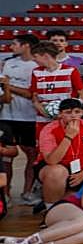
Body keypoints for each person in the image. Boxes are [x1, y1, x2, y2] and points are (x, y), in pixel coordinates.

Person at [33, 98, 83, 210]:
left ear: (82, 113)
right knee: (56, 171)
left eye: (77, 112)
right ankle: (51, 210)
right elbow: (51, 160)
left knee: (77, 202)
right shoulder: (49, 130)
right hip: (57, 168)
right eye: (68, 112)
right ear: (60, 114)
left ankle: (59, 200)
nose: (73, 116)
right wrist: (68, 137)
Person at [2, 34, 38, 205]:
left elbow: (31, 94)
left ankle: (27, 191)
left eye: (14, 44)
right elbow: (4, 90)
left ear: (26, 46)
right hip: (7, 116)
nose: (11, 47)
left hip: (29, 117)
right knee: (6, 157)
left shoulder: (37, 66)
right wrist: (7, 89)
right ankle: (6, 192)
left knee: (31, 155)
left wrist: (9, 86)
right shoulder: (9, 63)